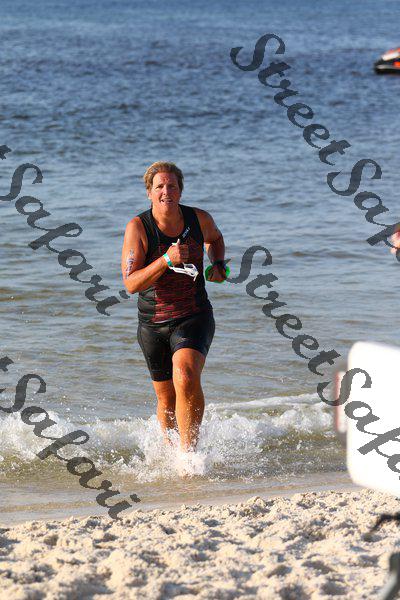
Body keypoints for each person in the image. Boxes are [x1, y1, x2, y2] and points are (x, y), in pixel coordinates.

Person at [121, 161, 227, 454]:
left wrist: (218, 264)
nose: (166, 191)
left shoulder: (199, 219)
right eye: (159, 186)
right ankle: (171, 454)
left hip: (193, 314)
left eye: (172, 186)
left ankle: (189, 456)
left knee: (186, 376)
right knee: (166, 399)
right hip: (152, 323)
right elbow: (131, 283)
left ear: (180, 190)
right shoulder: (138, 227)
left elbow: (216, 238)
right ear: (149, 192)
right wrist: (166, 260)